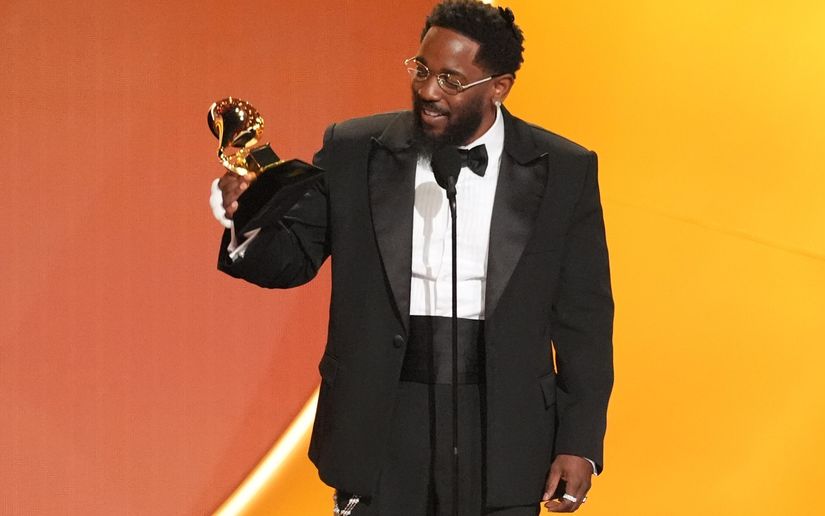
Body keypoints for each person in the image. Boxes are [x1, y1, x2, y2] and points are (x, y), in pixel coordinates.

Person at [210, 1, 613, 514]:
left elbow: (585, 319)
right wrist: (245, 214)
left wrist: (579, 441)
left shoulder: (563, 169)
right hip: (383, 417)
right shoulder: (355, 149)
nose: (427, 91)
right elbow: (288, 261)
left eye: (450, 79)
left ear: (498, 86)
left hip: (505, 429)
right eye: (421, 70)